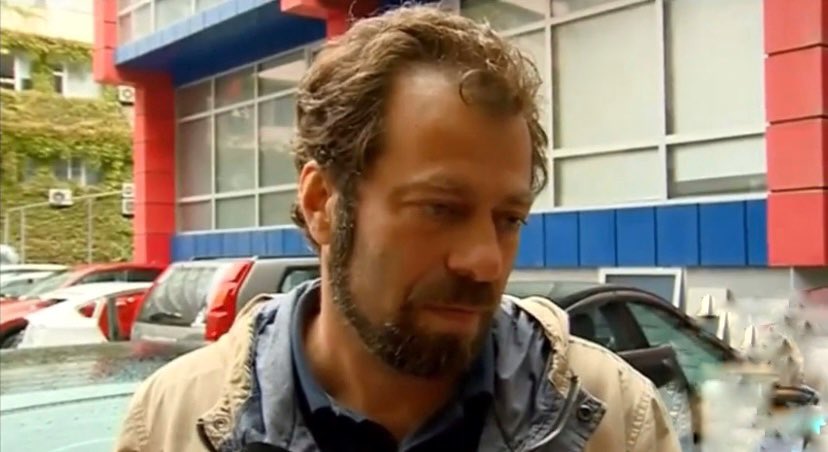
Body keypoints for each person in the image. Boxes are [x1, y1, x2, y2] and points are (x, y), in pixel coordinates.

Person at [115, 6, 680, 452]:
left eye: (508, 219)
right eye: (439, 209)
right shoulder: (172, 423)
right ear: (321, 204)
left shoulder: (614, 419)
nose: (485, 260)